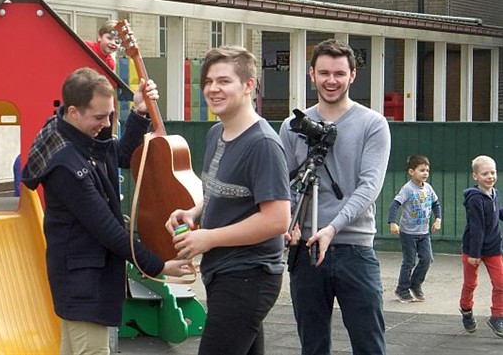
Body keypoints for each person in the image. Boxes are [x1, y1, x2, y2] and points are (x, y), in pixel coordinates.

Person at [21, 67, 192, 353]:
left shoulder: (77, 138)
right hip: (83, 283)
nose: (105, 123)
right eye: (99, 117)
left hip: (83, 277)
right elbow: (108, 230)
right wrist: (157, 266)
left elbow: (120, 156)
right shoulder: (66, 165)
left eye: (110, 115)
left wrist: (138, 113)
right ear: (74, 112)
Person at [165, 45, 291, 355]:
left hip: (249, 276)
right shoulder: (215, 134)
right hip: (224, 273)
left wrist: (208, 238)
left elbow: (277, 220)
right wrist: (194, 213)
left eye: (223, 81)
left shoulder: (262, 144)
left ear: (249, 85)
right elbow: (225, 195)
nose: (213, 89)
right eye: (208, 81)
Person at [279, 38, 390, 354]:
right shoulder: (292, 126)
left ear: (353, 75)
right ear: (311, 74)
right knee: (313, 346)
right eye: (324, 72)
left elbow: (369, 187)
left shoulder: (373, 124)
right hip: (306, 250)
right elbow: (281, 183)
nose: (331, 80)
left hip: (355, 249)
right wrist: (291, 221)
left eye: (339, 73)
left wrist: (332, 228)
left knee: (370, 345)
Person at [459, 155, 503, 338]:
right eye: (485, 173)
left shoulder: (495, 193)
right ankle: (466, 310)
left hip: (493, 247)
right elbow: (477, 227)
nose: (490, 177)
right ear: (475, 176)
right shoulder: (474, 199)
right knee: (471, 283)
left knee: (501, 283)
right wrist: (474, 253)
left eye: (493, 172)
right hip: (473, 249)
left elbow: (494, 214)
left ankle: (497, 316)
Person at [388, 154, 442, 303]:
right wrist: (392, 222)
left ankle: (416, 284)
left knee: (427, 259)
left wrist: (438, 219)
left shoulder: (428, 188)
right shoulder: (407, 189)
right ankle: (402, 289)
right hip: (408, 234)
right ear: (412, 172)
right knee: (409, 261)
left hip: (424, 233)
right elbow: (395, 205)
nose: (425, 173)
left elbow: (436, 204)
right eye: (422, 170)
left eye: (427, 170)